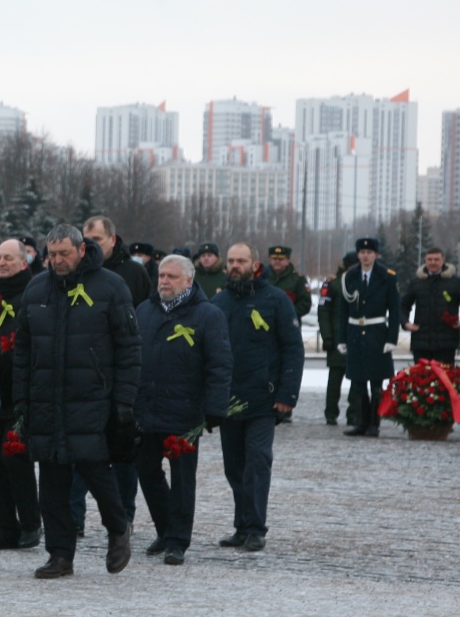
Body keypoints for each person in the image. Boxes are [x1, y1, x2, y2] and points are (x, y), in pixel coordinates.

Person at [13, 224, 139, 579]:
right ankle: (60, 554)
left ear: (82, 250)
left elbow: (130, 347)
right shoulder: (37, 287)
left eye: (64, 254)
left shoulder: (111, 287)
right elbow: (23, 348)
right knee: (51, 481)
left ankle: (118, 529)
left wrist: (125, 399)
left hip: (92, 396)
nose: (58, 261)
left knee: (95, 469)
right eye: (52, 255)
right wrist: (21, 398)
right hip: (46, 398)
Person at [134, 254, 232, 564]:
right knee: (146, 471)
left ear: (188, 281)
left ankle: (178, 540)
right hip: (147, 408)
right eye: (161, 276)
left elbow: (220, 364)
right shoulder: (144, 310)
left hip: (184, 410)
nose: (164, 281)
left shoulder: (208, 315)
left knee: (182, 478)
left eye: (171, 277)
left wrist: (215, 407)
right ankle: (165, 528)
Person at [210, 243, 303, 553]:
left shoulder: (276, 301)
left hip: (265, 399)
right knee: (234, 467)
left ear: (255, 264)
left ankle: (256, 528)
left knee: (258, 462)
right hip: (229, 399)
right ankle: (241, 525)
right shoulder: (219, 303)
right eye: (231, 260)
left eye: (241, 260)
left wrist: (288, 393)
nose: (235, 265)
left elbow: (292, 348)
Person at [81, 215, 151, 523]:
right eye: (86, 239)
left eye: (96, 239)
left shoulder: (134, 273)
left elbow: (145, 317)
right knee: (78, 454)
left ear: (112, 239)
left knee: (122, 452)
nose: (90, 245)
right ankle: (74, 518)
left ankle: (124, 518)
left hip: (121, 372)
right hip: (84, 374)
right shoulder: (76, 270)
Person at [0, 239, 42, 551]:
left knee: (14, 458)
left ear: (23, 262)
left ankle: (30, 524)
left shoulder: (33, 296)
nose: (1, 263)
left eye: (8, 258)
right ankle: (5, 528)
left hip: (20, 392)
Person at [337, 237, 402, 437]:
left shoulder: (387, 277)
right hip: (355, 333)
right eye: (362, 252)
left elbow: (395, 309)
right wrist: (341, 338)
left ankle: (374, 424)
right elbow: (342, 310)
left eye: (370, 252)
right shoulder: (349, 276)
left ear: (376, 255)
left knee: (376, 383)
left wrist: (392, 338)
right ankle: (361, 423)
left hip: (377, 334)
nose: (366, 256)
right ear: (358, 255)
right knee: (357, 382)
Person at [401, 247, 460, 366]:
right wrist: (406, 323)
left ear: (443, 260)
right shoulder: (416, 282)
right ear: (425, 261)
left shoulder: (455, 282)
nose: (433, 263)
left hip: (447, 343)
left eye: (436, 259)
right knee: (421, 380)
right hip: (421, 342)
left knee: (444, 381)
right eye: (430, 259)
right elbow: (403, 306)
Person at [320, 252, 362, 426]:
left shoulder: (363, 282)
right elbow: (323, 312)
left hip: (358, 337)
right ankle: (331, 414)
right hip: (337, 338)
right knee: (335, 378)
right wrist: (327, 336)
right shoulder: (332, 284)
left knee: (357, 378)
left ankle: (353, 414)